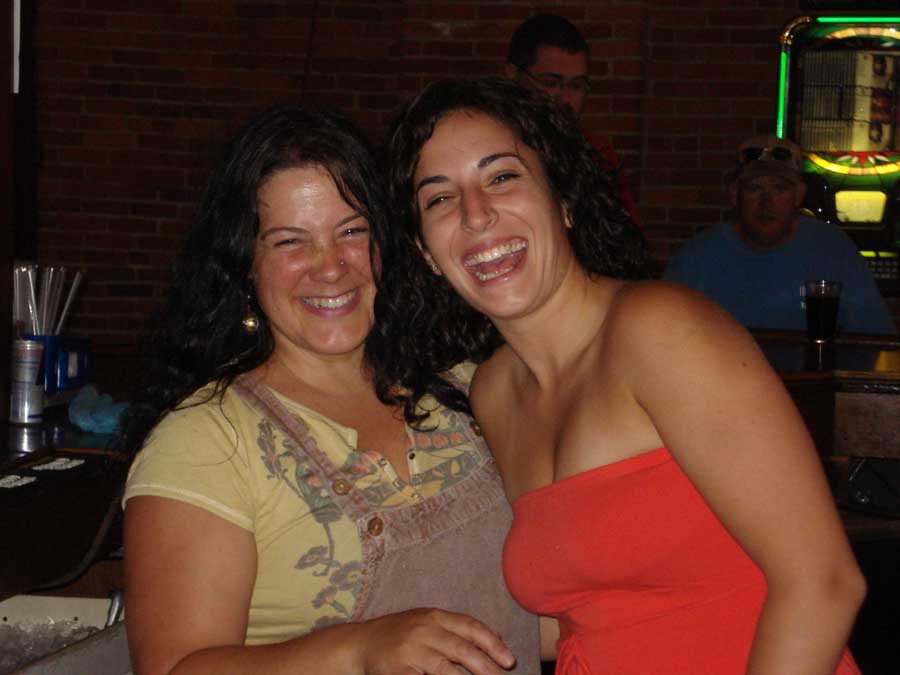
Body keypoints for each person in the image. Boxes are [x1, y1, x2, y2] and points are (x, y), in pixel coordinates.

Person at [375, 77, 865, 674]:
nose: (476, 215)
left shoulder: (657, 330)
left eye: (502, 177)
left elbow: (824, 582)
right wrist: (367, 634)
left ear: (563, 199)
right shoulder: (494, 390)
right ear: (426, 252)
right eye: (439, 199)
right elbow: (587, 612)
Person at [119, 104, 539, 675]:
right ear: (245, 264)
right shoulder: (205, 442)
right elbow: (175, 670)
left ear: (385, 243)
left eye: (351, 232)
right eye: (290, 242)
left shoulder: (469, 390)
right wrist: (356, 650)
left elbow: (536, 618)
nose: (330, 267)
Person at [664, 133, 897, 335]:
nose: (766, 202)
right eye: (755, 189)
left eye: (779, 189)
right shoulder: (698, 258)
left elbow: (873, 337)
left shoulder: (834, 250)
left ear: (799, 195)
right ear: (735, 195)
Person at [505, 13, 640, 228]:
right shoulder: (489, 145)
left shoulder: (597, 154)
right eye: (551, 83)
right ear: (513, 75)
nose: (565, 98)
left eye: (576, 85)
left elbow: (626, 237)